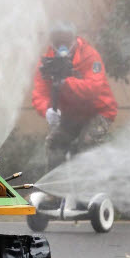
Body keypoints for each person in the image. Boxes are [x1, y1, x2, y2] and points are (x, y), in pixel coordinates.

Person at [31, 21, 118, 170]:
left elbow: (94, 88)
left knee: (86, 145)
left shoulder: (90, 56)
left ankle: (90, 188)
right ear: (52, 43)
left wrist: (66, 81)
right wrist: (47, 109)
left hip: (99, 112)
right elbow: (40, 92)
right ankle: (55, 191)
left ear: (74, 40)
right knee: (54, 143)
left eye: (65, 42)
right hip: (70, 115)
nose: (62, 47)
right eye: (58, 43)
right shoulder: (48, 62)